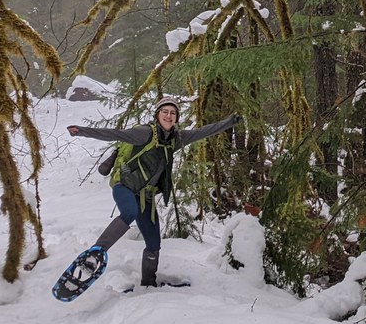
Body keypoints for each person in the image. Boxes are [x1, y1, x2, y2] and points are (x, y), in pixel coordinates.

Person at [65, 99, 239, 287]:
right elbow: (115, 134)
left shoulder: (176, 138)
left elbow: (202, 132)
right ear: (157, 114)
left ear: (176, 118)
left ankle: (148, 284)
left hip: (145, 196)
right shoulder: (144, 133)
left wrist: (230, 122)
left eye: (173, 113)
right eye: (164, 111)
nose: (168, 115)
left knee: (154, 242)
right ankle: (94, 255)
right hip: (124, 187)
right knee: (129, 212)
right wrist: (81, 131)